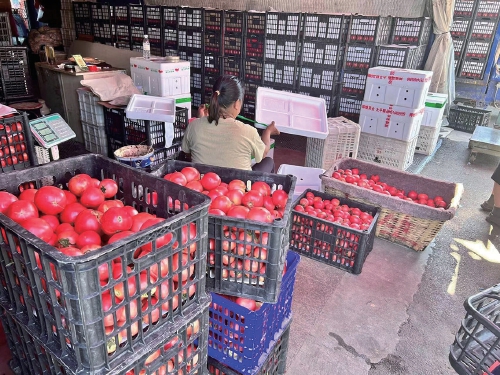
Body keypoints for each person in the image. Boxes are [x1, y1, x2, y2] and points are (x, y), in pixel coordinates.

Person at [182, 75, 279, 172]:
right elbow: (264, 152)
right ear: (237, 103)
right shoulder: (248, 132)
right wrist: (268, 131)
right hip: (237, 185)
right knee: (268, 162)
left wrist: (201, 119)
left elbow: (188, 154)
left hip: (204, 183)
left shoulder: (194, 126)